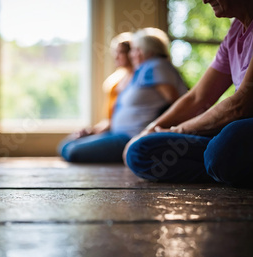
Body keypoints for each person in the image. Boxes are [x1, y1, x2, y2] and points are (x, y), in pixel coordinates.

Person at [124, 0, 253, 187]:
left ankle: (221, 162)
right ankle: (223, 167)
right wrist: (149, 129)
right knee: (141, 150)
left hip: (242, 128)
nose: (205, 0)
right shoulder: (235, 32)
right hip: (236, 134)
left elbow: (241, 104)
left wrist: (179, 129)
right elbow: (198, 97)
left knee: (225, 145)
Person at [58, 28, 187, 162]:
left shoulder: (156, 66)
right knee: (66, 146)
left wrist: (153, 132)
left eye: (136, 49)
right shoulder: (142, 71)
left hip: (131, 136)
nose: (132, 54)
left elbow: (176, 103)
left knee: (71, 151)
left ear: (150, 51)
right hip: (117, 133)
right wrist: (93, 130)